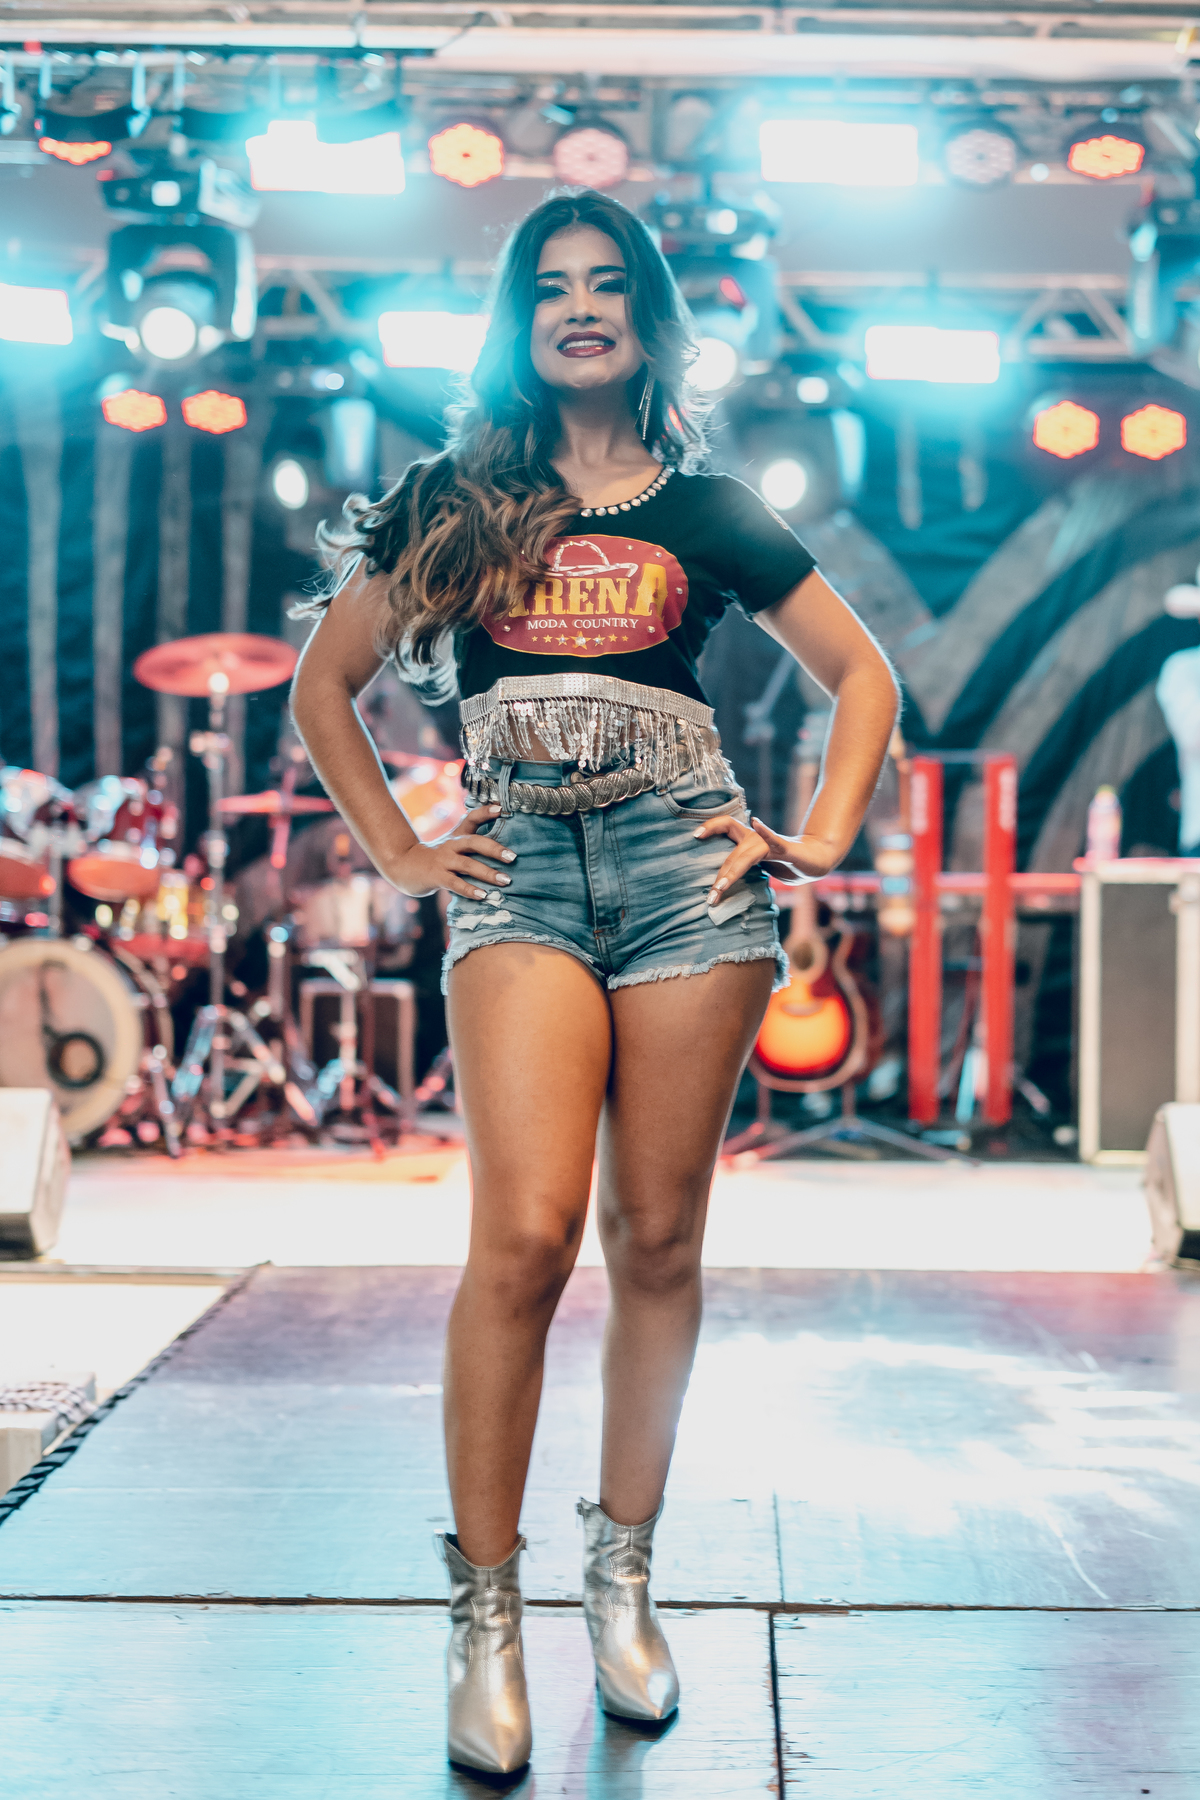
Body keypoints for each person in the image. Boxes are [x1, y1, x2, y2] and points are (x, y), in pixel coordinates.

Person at [290, 189, 898, 1777]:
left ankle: (621, 1581)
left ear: (644, 317)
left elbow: (863, 676)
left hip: (688, 875)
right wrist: (402, 851)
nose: (579, 306)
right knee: (525, 1238)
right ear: (520, 321)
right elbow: (324, 685)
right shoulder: (455, 500)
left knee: (659, 1237)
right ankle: (484, 1615)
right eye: (550, 285)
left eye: (606, 283)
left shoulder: (710, 510)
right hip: (520, 878)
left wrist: (822, 832)